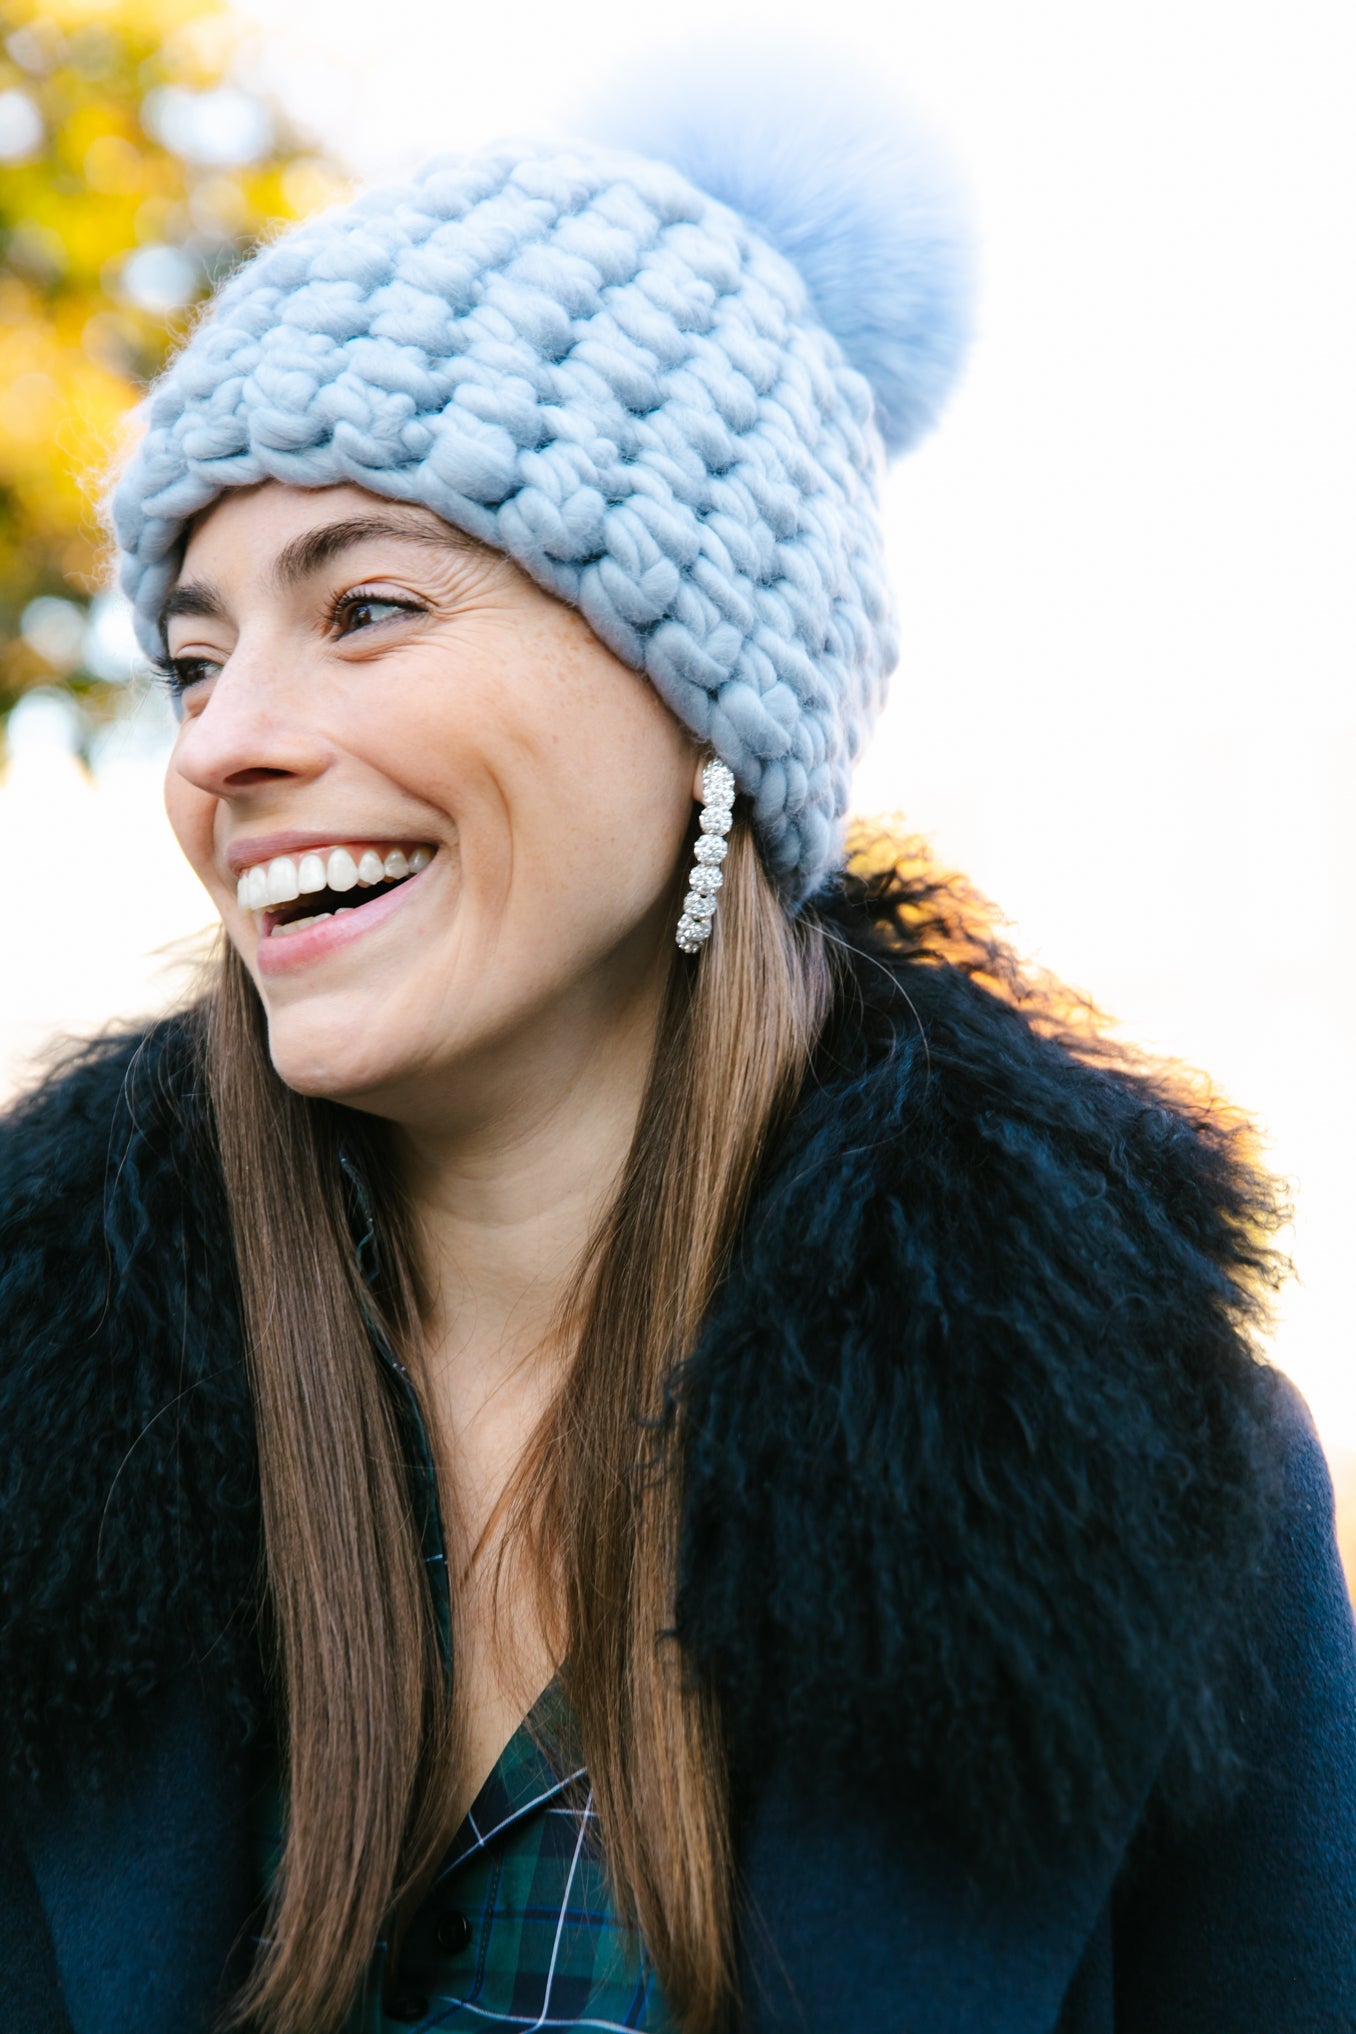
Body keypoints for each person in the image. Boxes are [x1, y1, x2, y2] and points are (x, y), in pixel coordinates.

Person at [2, 65, 1354, 2034]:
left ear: (701, 710)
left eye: (367, 606)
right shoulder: (41, 1454)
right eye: (197, 660)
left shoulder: (1153, 1489)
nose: (219, 746)